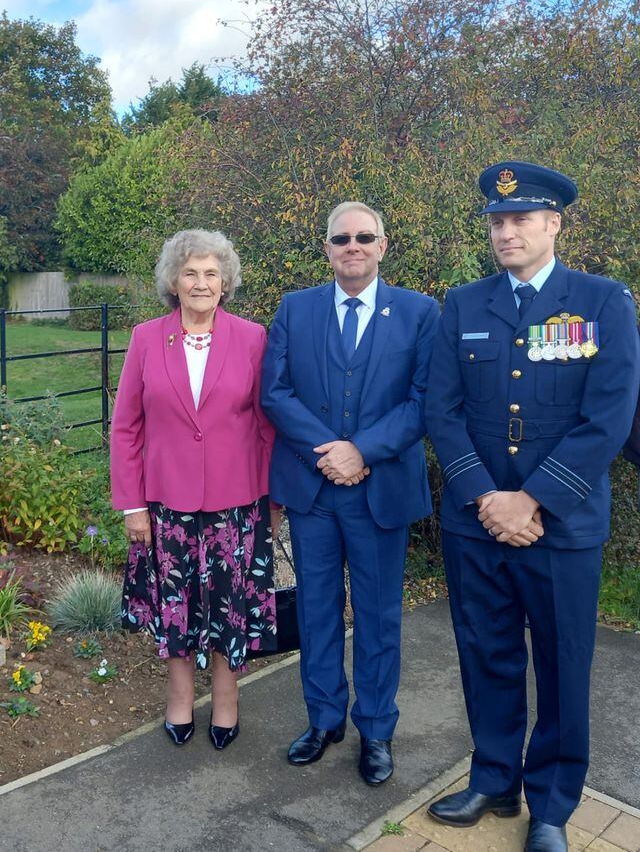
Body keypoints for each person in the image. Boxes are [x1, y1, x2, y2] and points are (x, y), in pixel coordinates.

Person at [424, 162, 639, 852]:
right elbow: (442, 408)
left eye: (521, 219)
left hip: (562, 525)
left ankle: (550, 804)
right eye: (497, 220)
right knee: (485, 655)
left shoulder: (603, 303)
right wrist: (488, 498)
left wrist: (532, 500)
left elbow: (607, 417)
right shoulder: (463, 303)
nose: (507, 230)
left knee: (562, 661)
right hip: (476, 520)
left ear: (554, 224)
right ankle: (493, 778)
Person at [261, 201, 439, 786]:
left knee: (379, 615)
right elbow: (276, 393)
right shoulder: (295, 308)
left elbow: (424, 401)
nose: (353, 246)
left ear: (383, 245)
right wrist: (333, 451)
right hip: (314, 491)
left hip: (380, 491)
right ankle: (324, 719)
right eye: (342, 238)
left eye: (365, 237)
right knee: (316, 612)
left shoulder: (418, 313)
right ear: (328, 248)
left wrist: (362, 450)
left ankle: (377, 729)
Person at [112, 228, 276, 751]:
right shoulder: (145, 338)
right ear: (173, 282)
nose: (201, 282)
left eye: (211, 273)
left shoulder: (253, 337)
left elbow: (268, 424)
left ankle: (226, 699)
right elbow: (126, 427)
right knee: (175, 606)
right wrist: (132, 504)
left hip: (237, 505)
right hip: (166, 506)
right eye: (190, 273)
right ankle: (180, 696)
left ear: (225, 280)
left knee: (229, 606)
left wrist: (274, 500)